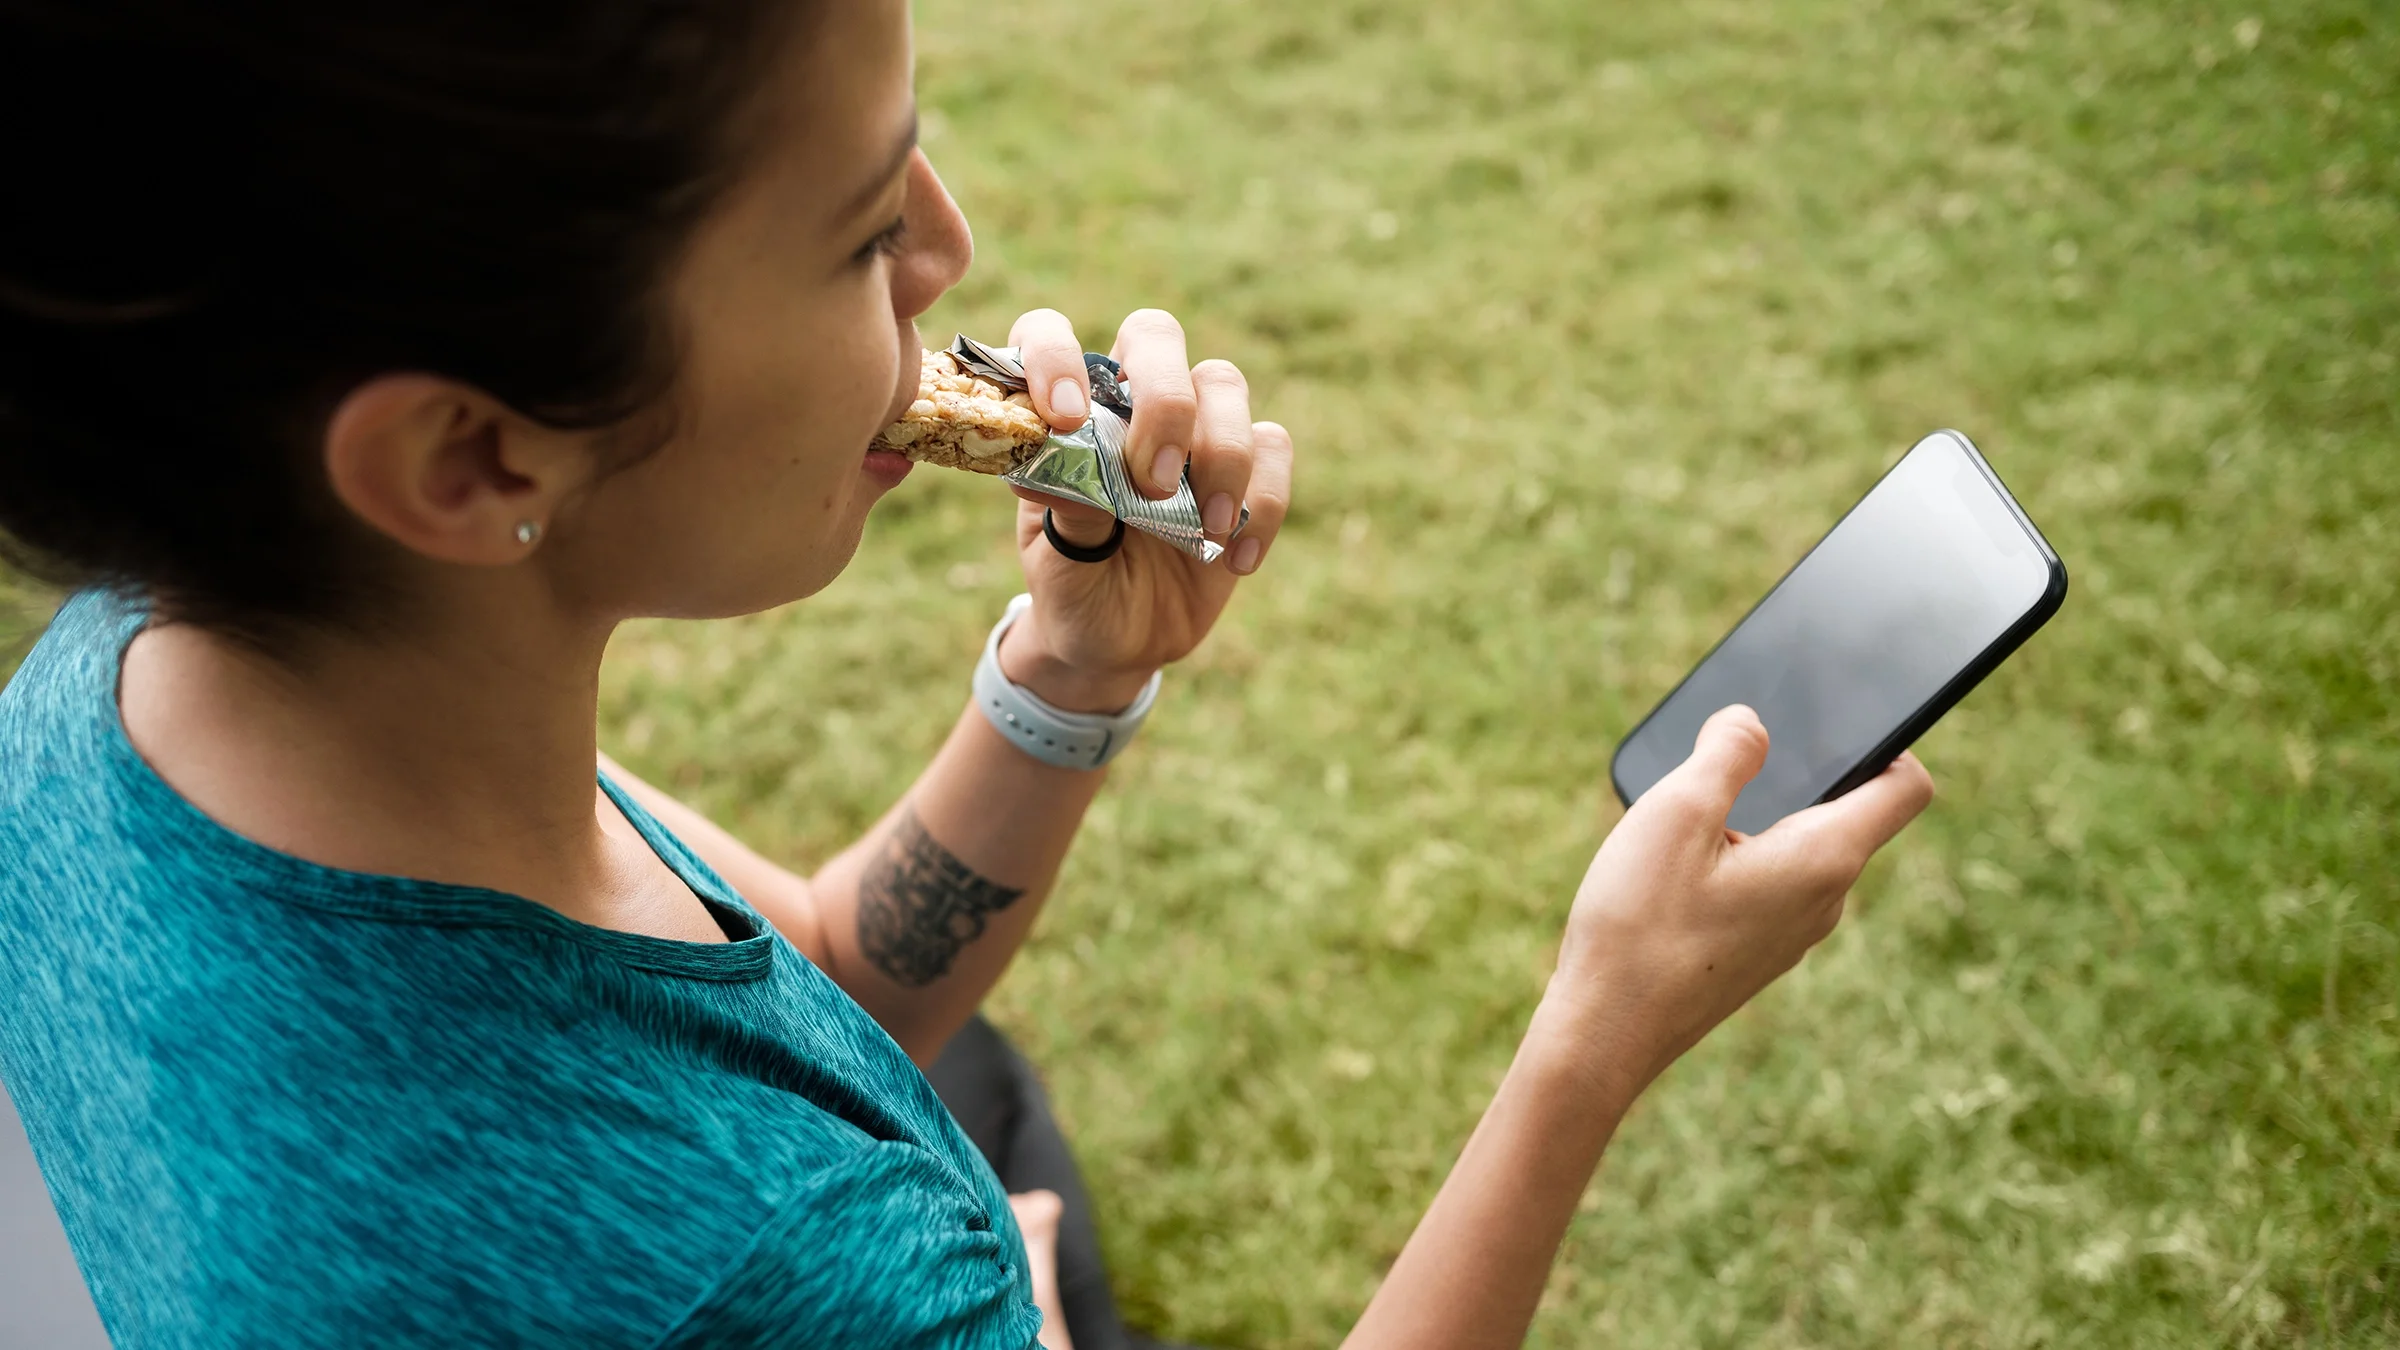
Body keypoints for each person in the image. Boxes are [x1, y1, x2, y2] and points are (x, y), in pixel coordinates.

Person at [0, 1, 1935, 1347]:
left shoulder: (113, 686)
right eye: (862, 228)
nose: (955, 248)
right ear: (480, 457)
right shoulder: (784, 1256)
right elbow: (749, 1198)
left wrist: (1072, 675)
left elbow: (822, 975)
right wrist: (1594, 1039)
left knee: (981, 1087)